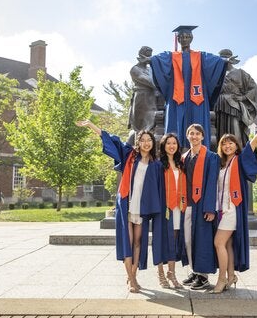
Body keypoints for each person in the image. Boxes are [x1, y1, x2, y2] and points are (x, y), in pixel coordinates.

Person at [76, 120, 165, 293]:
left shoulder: (156, 165)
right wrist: (91, 125)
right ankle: (132, 280)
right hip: (127, 205)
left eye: (149, 140)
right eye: (143, 140)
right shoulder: (129, 156)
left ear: (152, 143)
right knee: (128, 242)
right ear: (138, 142)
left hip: (143, 209)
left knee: (139, 242)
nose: (146, 143)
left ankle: (133, 276)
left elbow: (158, 189)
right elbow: (112, 140)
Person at [210, 115, 257, 294]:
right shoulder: (221, 165)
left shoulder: (239, 161)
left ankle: (221, 279)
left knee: (218, 242)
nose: (228, 146)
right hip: (221, 209)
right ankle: (231, 275)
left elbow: (254, 143)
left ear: (236, 146)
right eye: (224, 144)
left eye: (231, 143)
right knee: (227, 245)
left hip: (233, 209)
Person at [150, 25, 229, 149]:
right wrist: (150, 60)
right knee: (174, 129)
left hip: (196, 100)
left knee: (198, 125)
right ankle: (174, 154)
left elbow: (215, 62)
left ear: (191, 38)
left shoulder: (201, 56)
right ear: (178, 39)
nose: (185, 39)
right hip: (177, 98)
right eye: (182, 37)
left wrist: (224, 61)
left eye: (187, 36)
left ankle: (200, 155)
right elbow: (158, 61)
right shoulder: (171, 57)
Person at [180, 123, 219, 290]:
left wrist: (210, 208)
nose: (194, 136)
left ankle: (203, 276)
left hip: (202, 205)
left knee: (203, 240)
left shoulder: (211, 157)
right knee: (188, 239)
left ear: (203, 137)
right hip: (187, 204)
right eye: (191, 133)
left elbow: (212, 184)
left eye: (197, 134)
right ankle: (194, 271)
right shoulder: (183, 157)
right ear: (187, 136)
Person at [156, 133, 186, 289]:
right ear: (163, 145)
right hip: (163, 208)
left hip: (177, 208)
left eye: (174, 143)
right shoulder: (159, 165)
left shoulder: (180, 164)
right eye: (168, 143)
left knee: (174, 240)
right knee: (162, 240)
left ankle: (171, 273)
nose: (172, 146)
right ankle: (161, 273)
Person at [214, 49, 257, 145]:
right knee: (219, 135)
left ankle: (237, 156)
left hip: (234, 106)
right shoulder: (216, 74)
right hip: (218, 106)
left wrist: (243, 98)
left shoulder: (241, 73)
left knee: (235, 133)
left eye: (225, 57)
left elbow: (254, 88)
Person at [127, 46, 164, 145]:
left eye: (150, 57)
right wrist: (162, 82)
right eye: (147, 57)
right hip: (141, 99)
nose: (148, 59)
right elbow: (149, 81)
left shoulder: (150, 70)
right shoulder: (135, 69)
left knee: (152, 123)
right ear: (141, 56)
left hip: (152, 98)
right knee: (141, 125)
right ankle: (137, 147)